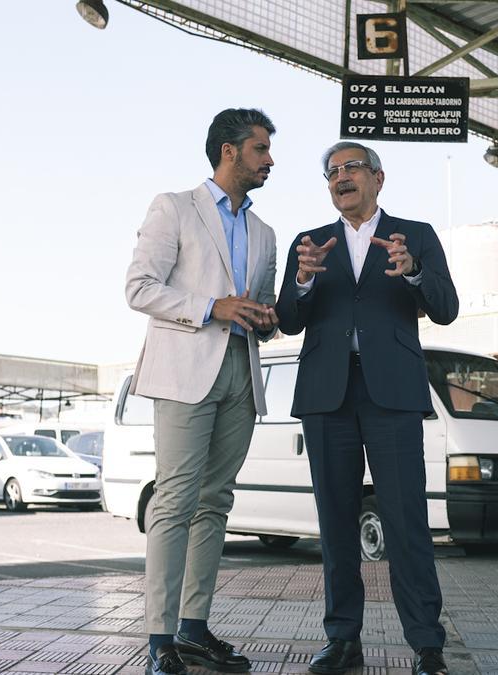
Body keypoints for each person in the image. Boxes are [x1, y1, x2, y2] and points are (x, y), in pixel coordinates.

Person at [275, 141, 459, 675]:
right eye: (331, 171)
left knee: (406, 522)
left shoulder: (416, 235)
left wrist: (414, 270)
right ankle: (342, 639)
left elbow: (445, 309)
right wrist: (304, 278)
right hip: (326, 397)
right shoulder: (309, 244)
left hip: (393, 396)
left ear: (379, 178)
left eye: (350, 167)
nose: (340, 177)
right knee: (334, 523)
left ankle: (427, 644)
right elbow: (288, 319)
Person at [125, 108, 280, 675]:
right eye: (260, 149)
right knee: (174, 501)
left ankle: (193, 628)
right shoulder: (174, 207)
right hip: (186, 370)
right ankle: (159, 637)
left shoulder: (265, 232)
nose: (270, 160)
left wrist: (270, 315)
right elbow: (139, 288)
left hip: (242, 370)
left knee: (216, 502)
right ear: (229, 151)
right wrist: (210, 307)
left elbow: (266, 307)